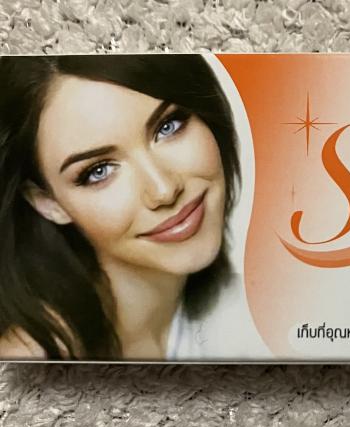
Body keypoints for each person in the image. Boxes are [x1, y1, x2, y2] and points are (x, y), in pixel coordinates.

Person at [0, 53, 260, 360]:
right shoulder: (33, 363)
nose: (164, 190)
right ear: (48, 202)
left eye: (168, 126)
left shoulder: (252, 314)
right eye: (99, 171)